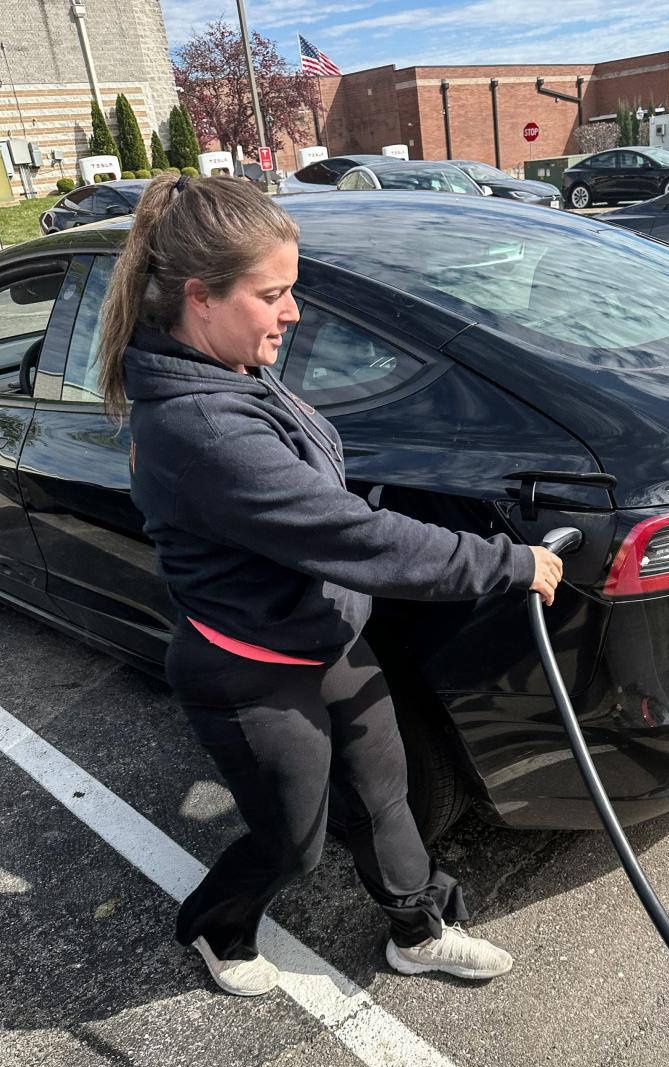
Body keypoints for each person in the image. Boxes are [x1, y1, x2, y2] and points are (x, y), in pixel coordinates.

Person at [98, 173, 563, 997]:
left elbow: (322, 495)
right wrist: (511, 563)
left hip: (326, 637)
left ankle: (418, 932)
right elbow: (354, 537)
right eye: (273, 294)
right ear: (200, 297)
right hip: (248, 671)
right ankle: (219, 927)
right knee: (294, 842)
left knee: (387, 798)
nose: (294, 312)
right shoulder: (197, 428)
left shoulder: (233, 372)